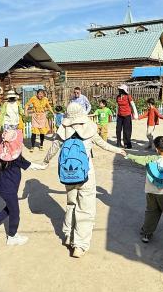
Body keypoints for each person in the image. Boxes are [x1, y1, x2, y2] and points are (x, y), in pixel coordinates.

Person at [42, 102, 126, 258]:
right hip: (86, 175)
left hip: (68, 175)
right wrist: (118, 150)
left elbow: (53, 149)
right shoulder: (89, 129)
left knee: (71, 204)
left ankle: (68, 235)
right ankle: (79, 245)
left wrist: (45, 162)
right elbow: (103, 144)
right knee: (85, 210)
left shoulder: (62, 130)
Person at [0, 130, 45, 246]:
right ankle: (12, 236)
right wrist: (42, 167)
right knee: (15, 212)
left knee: (10, 207)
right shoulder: (16, 158)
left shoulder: (1, 153)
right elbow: (30, 166)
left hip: (2, 187)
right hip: (10, 190)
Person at [115, 84, 138, 149]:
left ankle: (127, 144)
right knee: (118, 129)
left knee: (127, 130)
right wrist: (116, 113)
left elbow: (133, 105)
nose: (119, 91)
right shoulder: (118, 97)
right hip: (120, 115)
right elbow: (117, 106)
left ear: (123, 90)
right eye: (119, 89)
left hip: (127, 115)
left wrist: (135, 114)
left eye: (120, 90)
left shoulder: (128, 96)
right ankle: (118, 142)